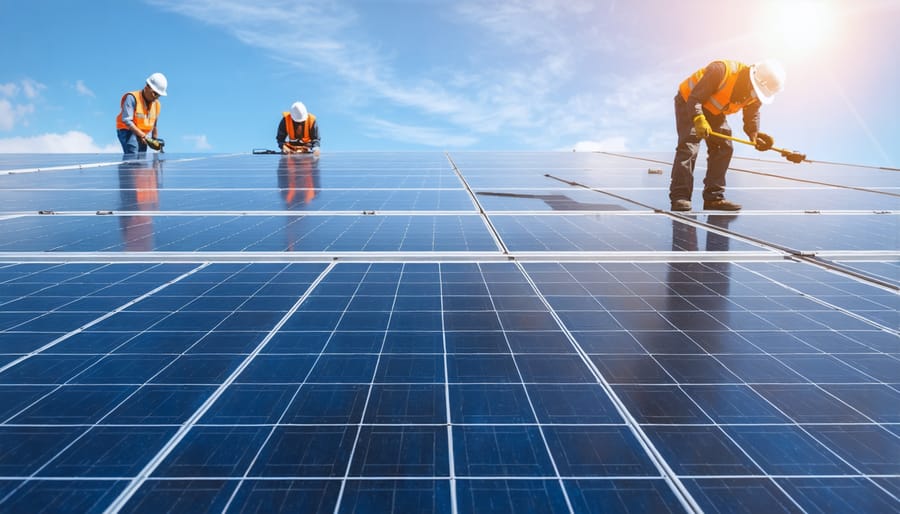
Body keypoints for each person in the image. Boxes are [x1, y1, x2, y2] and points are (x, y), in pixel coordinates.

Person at [668, 60, 785, 211]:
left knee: (724, 147)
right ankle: (680, 197)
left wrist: (753, 133)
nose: (756, 95)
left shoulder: (757, 93)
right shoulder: (721, 70)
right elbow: (695, 98)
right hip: (689, 101)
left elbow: (752, 112)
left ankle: (714, 198)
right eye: (756, 91)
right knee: (689, 146)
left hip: (714, 112)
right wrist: (698, 118)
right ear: (752, 78)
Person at [116, 73, 167, 155]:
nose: (156, 97)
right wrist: (144, 136)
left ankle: (138, 167)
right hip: (127, 131)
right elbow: (127, 121)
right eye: (155, 93)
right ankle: (131, 167)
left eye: (158, 95)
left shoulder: (157, 104)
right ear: (147, 87)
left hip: (143, 134)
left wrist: (155, 140)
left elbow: (154, 125)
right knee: (133, 152)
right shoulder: (132, 98)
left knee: (142, 156)